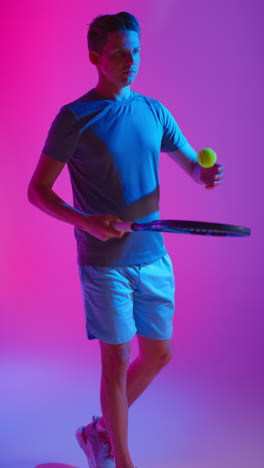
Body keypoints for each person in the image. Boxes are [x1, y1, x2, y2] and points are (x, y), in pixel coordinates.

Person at [28, 11, 224, 468]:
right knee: (115, 363)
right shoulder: (75, 118)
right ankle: (121, 460)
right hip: (104, 262)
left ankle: (98, 432)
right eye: (118, 52)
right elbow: (37, 191)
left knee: (159, 354)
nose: (129, 60)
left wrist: (205, 173)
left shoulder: (155, 111)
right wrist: (86, 221)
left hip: (153, 256)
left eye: (135, 50)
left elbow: (194, 165)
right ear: (96, 57)